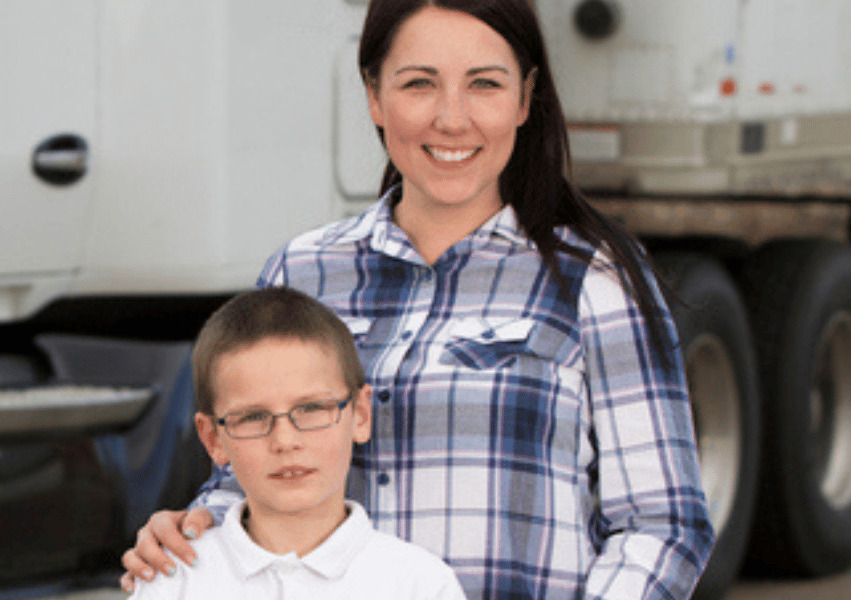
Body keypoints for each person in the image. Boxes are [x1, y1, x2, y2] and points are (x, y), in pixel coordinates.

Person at [122, 1, 714, 599]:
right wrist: (189, 530)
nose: (451, 119)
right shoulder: (300, 273)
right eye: (418, 84)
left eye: (484, 84)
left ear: (525, 98)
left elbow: (662, 525)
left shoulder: (593, 279)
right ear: (375, 96)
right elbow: (246, 475)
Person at [129, 287, 466, 600]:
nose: (285, 441)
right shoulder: (172, 580)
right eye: (252, 417)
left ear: (360, 415)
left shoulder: (420, 584)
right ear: (213, 439)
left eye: (311, 409)